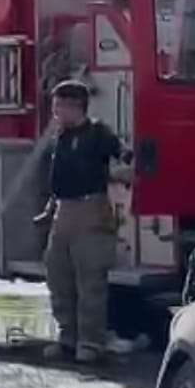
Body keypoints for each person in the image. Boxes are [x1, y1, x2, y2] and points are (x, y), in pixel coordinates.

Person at [39, 80, 126, 364]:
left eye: (59, 107)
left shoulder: (98, 133)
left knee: (90, 278)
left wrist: (121, 175)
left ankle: (90, 341)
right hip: (63, 210)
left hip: (91, 209)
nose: (55, 113)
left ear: (75, 106)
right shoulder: (60, 137)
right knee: (58, 274)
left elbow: (123, 157)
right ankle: (67, 337)